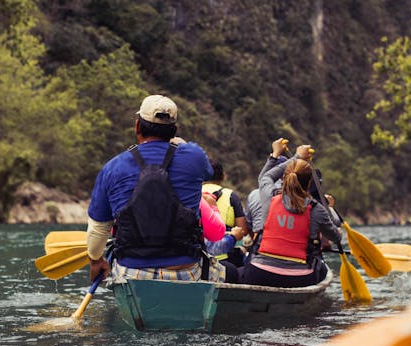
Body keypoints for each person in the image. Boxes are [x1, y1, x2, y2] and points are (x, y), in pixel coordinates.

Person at [86, 94, 226, 283]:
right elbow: (208, 172)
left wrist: (96, 260)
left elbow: (98, 229)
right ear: (174, 130)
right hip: (185, 271)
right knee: (225, 272)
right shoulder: (195, 156)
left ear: (137, 126)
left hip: (132, 272)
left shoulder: (113, 167)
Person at [240, 149, 342, 287]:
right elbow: (335, 237)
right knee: (322, 269)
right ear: (309, 182)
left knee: (238, 271)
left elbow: (266, 176)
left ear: (284, 177)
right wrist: (338, 233)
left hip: (259, 273)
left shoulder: (269, 198)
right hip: (299, 279)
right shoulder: (317, 209)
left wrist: (296, 156)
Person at [203, 159, 250, 268]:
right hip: (224, 257)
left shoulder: (193, 193)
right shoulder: (231, 195)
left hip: (198, 255)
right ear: (223, 176)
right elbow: (242, 230)